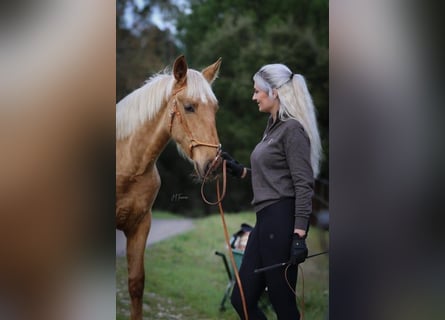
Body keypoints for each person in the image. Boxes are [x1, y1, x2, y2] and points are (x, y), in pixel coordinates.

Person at [223, 63, 322, 319]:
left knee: (284, 306)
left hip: (281, 222)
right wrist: (241, 171)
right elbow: (275, 175)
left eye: (257, 91)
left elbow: (303, 184)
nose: (253, 96)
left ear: (274, 92)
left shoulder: (293, 130)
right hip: (264, 222)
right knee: (241, 300)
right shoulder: (273, 126)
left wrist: (299, 235)